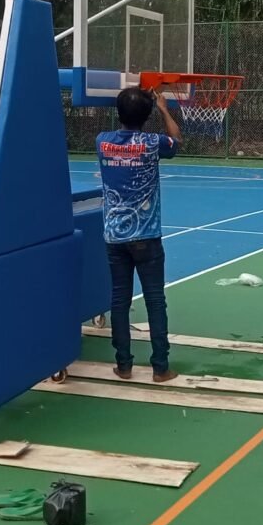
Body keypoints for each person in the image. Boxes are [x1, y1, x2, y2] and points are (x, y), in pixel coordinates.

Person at [96, 86, 182, 382]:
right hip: (146, 237)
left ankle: (123, 365)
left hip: (114, 236)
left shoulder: (102, 141)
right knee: (155, 301)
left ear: (119, 113)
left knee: (119, 301)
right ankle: (160, 367)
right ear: (146, 116)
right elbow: (177, 140)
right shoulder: (153, 143)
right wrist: (163, 109)